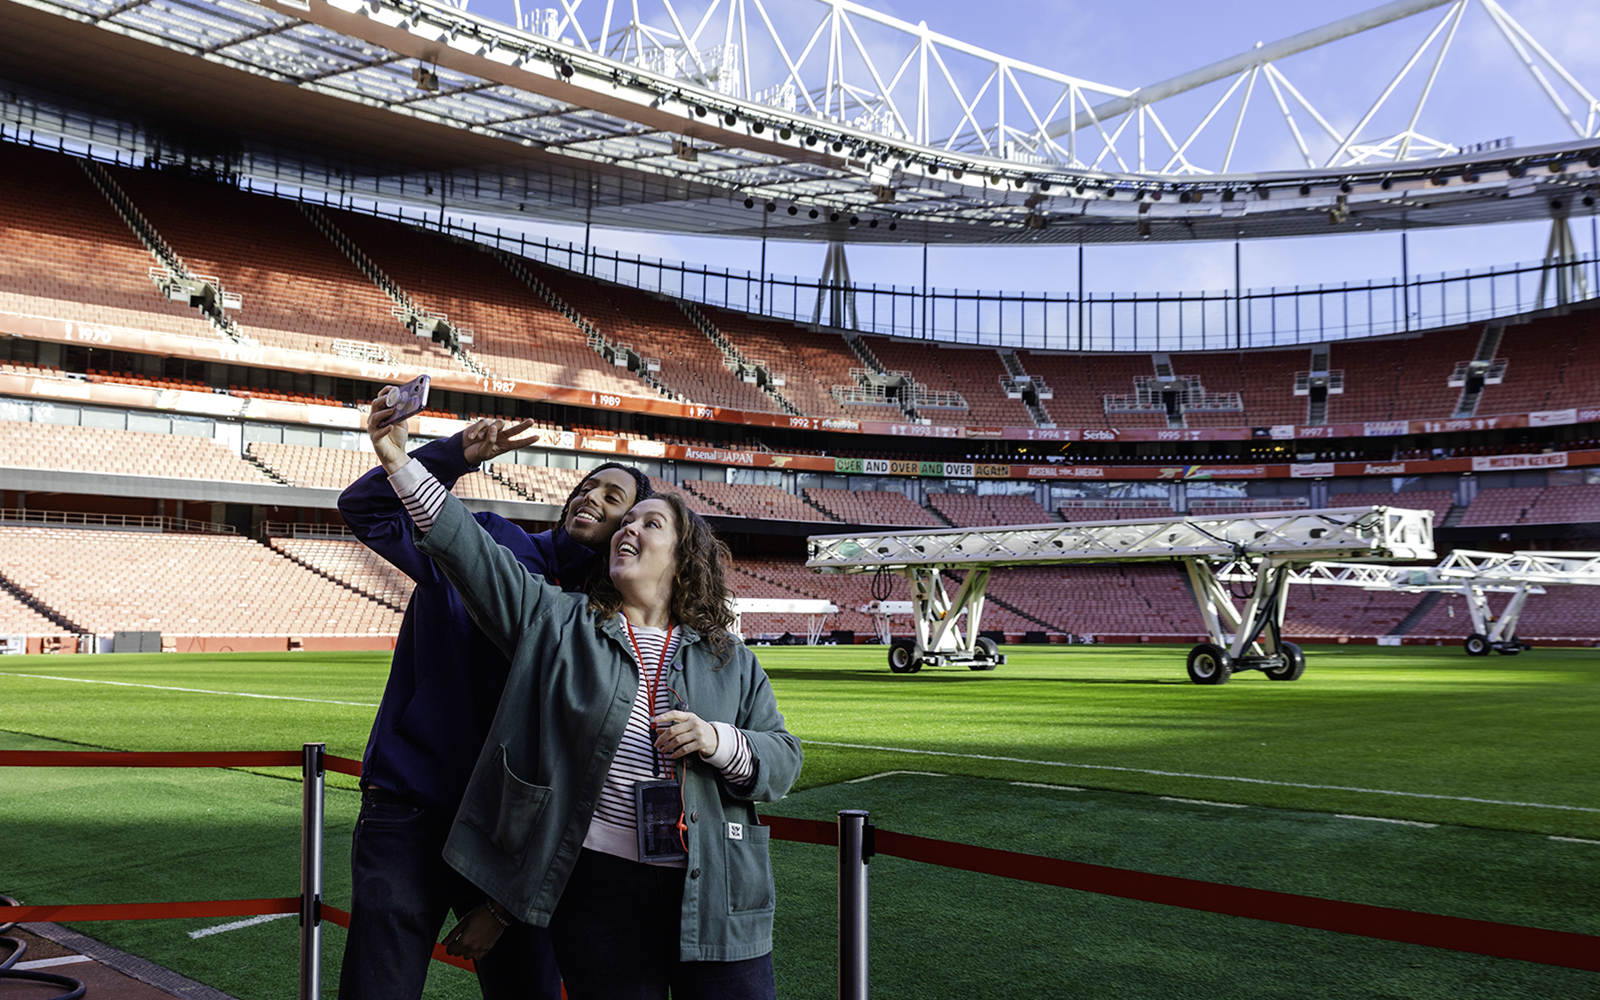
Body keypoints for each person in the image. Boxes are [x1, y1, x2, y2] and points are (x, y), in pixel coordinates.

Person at [366, 392, 802, 1000]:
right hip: (598, 901)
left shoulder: (731, 658)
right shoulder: (559, 622)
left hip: (719, 897)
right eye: (626, 523)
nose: (628, 528)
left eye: (649, 523)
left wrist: (718, 741)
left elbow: (783, 759)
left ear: (683, 559)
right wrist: (399, 461)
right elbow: (467, 549)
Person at [338, 405, 650, 1000]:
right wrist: (451, 456)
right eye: (588, 486)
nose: (592, 497)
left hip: (513, 835)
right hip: (413, 803)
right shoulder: (485, 535)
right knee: (378, 987)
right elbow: (365, 509)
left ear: (630, 528)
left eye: (614, 498)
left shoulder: (611, 623)